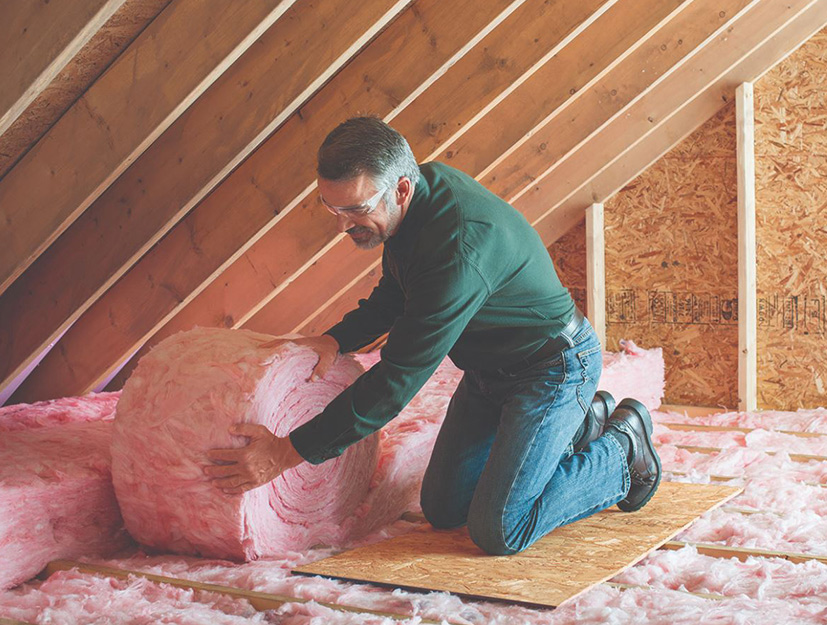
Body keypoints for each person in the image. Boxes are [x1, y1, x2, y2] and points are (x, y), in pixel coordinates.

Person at [205, 117, 662, 555]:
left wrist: (287, 452)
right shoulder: (418, 198)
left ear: (401, 188)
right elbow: (399, 292)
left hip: (551, 368)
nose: (342, 226)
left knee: (500, 529)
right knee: (444, 510)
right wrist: (335, 339)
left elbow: (395, 382)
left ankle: (622, 448)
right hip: (488, 372)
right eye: (332, 207)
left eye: (356, 209)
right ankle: (582, 426)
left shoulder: (458, 245)